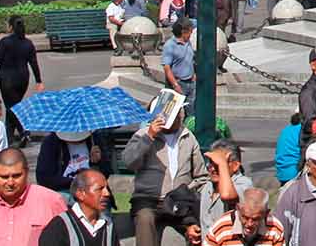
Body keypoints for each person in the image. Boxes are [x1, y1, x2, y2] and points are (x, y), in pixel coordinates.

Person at [121, 94, 205, 246]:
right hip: (149, 199)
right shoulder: (142, 135)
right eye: (176, 112)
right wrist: (149, 137)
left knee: (197, 227)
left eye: (180, 111)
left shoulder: (187, 136)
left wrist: (188, 190)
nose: (180, 115)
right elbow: (129, 162)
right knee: (145, 219)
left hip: (181, 199)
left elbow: (202, 176)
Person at [0, 18, 42, 145]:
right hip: (23, 79)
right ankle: (9, 136)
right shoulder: (28, 43)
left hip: (7, 78)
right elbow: (33, 63)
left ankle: (24, 131)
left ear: (11, 27)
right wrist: (39, 80)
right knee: (14, 105)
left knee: (11, 107)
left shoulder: (5, 42)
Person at [40, 169, 121, 246]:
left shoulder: (109, 226)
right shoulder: (58, 227)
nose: (107, 193)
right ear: (80, 194)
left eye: (107, 189)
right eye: (100, 189)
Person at [36, 132, 104, 203]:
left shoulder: (93, 139)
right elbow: (44, 179)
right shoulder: (51, 142)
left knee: (101, 203)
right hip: (65, 189)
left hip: (94, 188)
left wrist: (97, 162)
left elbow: (106, 172)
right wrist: (76, 182)